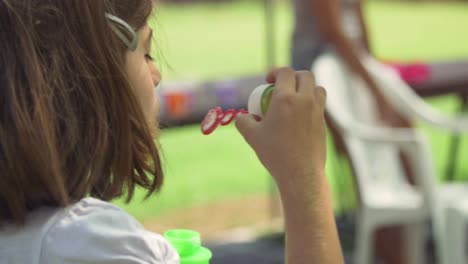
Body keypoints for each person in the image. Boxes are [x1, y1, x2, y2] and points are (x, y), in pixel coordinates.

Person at [0, 0, 344, 263]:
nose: (156, 75)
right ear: (93, 70)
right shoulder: (90, 244)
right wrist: (305, 179)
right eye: (146, 53)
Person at [292, 0, 414, 263]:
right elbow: (333, 32)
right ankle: (392, 254)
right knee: (367, 171)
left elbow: (360, 25)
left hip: (353, 68)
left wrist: (377, 75)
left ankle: (408, 246)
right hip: (320, 76)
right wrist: (377, 92)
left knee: (405, 138)